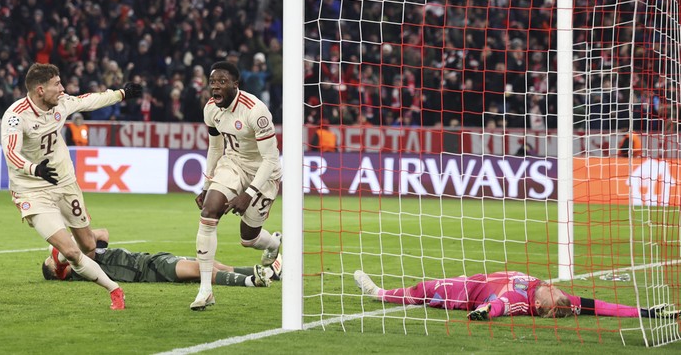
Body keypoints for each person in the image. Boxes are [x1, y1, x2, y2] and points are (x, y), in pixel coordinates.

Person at [0, 63, 143, 310]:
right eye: (57, 84)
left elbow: (89, 100)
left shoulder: (62, 103)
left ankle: (59, 256)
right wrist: (36, 170)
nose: (63, 88)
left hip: (65, 183)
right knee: (73, 252)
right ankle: (115, 291)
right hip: (31, 190)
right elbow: (10, 153)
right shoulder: (15, 116)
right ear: (40, 90)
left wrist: (121, 94)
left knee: (87, 246)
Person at [191, 61, 282, 310]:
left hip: (264, 172)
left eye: (222, 82)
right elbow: (215, 147)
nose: (215, 87)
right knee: (208, 212)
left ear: (235, 85)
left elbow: (271, 158)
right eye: (212, 82)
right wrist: (207, 184)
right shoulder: (211, 109)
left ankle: (274, 244)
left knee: (248, 239)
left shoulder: (256, 111)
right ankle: (205, 290)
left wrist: (248, 194)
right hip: (233, 164)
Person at [353, 270, 681, 320]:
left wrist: (484, 313)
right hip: (479, 276)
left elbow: (499, 305)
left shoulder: (522, 301)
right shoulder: (566, 301)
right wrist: (647, 312)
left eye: (552, 293)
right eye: (557, 290)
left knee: (423, 289)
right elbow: (604, 306)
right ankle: (382, 291)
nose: (555, 288)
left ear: (539, 304)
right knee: (423, 287)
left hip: (464, 293)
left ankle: (379, 292)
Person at [42, 229, 282, 286]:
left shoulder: (85, 254)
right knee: (201, 270)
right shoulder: (81, 266)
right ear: (58, 270)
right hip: (147, 270)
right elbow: (65, 255)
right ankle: (252, 281)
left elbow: (102, 233)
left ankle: (263, 272)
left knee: (209, 262)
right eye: (51, 260)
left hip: (147, 260)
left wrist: (79, 239)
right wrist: (71, 242)